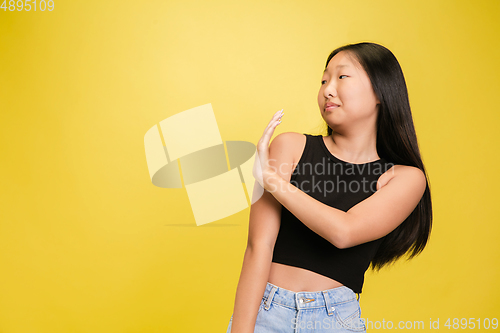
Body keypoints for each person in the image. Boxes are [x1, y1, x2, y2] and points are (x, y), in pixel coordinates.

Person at [226, 42, 432, 333]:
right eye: (324, 80)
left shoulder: (405, 178)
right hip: (266, 311)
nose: (328, 89)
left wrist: (272, 181)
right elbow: (258, 246)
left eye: (341, 77)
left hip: (335, 320)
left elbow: (344, 232)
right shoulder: (290, 146)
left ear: (380, 91)